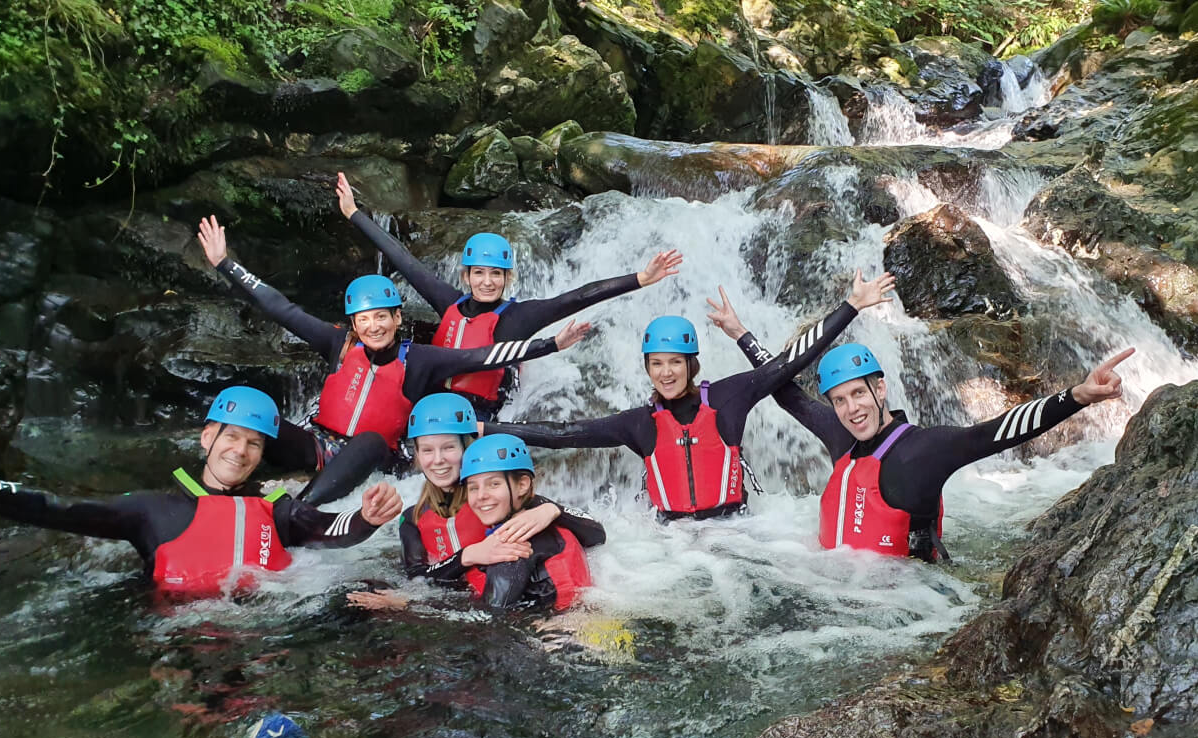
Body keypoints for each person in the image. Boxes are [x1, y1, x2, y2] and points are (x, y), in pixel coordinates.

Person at [705, 286, 1135, 560]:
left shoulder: (922, 452)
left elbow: (999, 433)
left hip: (910, 610)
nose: (851, 409)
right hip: (837, 598)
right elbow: (787, 393)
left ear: (880, 390)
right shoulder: (841, 435)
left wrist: (1078, 396)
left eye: (858, 394)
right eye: (839, 401)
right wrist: (741, 333)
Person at [196, 216, 588, 505]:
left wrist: (550, 344)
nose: (374, 326)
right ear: (354, 323)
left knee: (365, 442)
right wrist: (224, 263)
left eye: (382, 316)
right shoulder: (338, 345)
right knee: (250, 413)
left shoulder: (419, 359)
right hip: (320, 446)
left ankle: (300, 511)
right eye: (365, 319)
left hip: (377, 457)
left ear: (397, 318)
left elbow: (482, 357)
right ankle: (218, 488)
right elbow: (281, 308)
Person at [483, 271, 897, 520]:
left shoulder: (727, 398)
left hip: (740, 535)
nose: (666, 372)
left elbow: (789, 362)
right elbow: (564, 433)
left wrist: (851, 306)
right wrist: (485, 427)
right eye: (657, 363)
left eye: (676, 362)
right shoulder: (638, 423)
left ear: (691, 365)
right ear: (647, 368)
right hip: (672, 545)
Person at [0, 386, 403, 596]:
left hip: (265, 631)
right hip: (180, 640)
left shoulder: (274, 510)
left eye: (254, 444)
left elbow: (329, 531)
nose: (240, 451)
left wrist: (367, 518)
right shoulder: (153, 511)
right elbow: (59, 510)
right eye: (233, 437)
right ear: (208, 437)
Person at [336, 172, 682, 419]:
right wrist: (354, 214)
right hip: (432, 401)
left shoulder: (519, 317)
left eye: (496, 275)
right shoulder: (449, 302)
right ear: (466, 276)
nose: (487, 282)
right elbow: (403, 259)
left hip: (480, 413)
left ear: (507, 278)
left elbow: (576, 297)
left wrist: (640, 278)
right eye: (480, 274)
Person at [348, 397, 604, 613]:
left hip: (505, 596)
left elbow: (596, 534)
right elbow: (417, 576)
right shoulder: (412, 518)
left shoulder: (496, 498)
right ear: (416, 456)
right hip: (467, 591)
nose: (438, 461)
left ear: (468, 447)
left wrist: (552, 509)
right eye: (427, 451)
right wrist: (467, 556)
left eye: (448, 447)